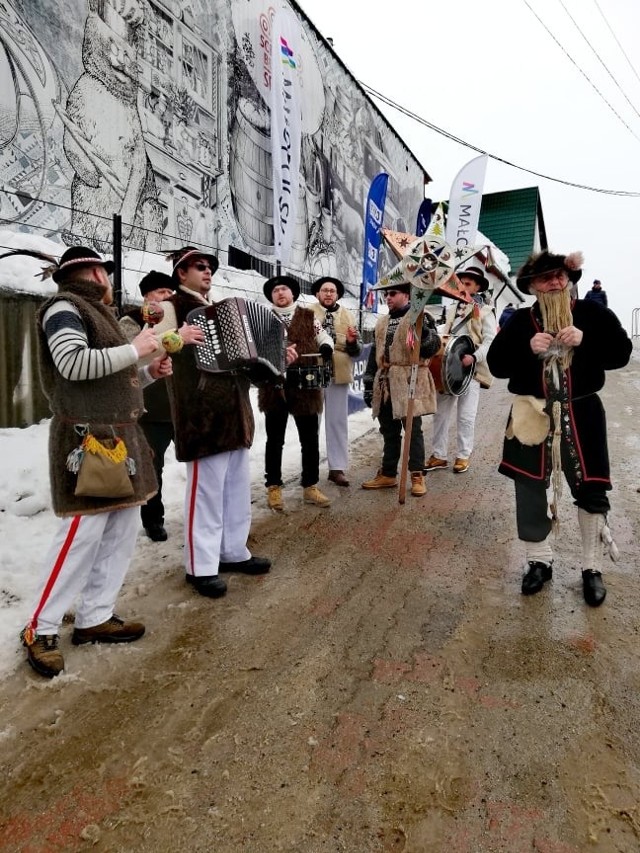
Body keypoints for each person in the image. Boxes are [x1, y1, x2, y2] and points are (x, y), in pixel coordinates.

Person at [19, 246, 170, 678]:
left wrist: (146, 374)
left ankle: (94, 616)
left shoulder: (95, 311)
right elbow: (72, 364)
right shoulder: (64, 307)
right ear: (92, 272)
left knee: (122, 526)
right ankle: (40, 627)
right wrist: (136, 348)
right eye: (105, 269)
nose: (109, 276)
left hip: (118, 435)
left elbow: (109, 377)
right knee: (80, 534)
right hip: (85, 440)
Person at [486, 250, 631, 606]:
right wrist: (525, 348)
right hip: (531, 414)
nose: (554, 282)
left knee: (591, 488)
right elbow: (496, 365)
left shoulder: (592, 314)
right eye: (545, 278)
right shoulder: (519, 322)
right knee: (530, 487)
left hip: (583, 412)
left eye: (559, 276)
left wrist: (586, 341)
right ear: (532, 286)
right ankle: (539, 561)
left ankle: (591, 568)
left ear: (569, 280)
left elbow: (622, 353)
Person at [152, 246, 271, 598]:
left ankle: (233, 550)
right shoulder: (171, 307)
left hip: (234, 413)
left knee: (235, 489)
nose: (208, 272)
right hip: (200, 413)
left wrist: (269, 362)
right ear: (181, 272)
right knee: (205, 494)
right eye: (200, 267)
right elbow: (154, 346)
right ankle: (200, 565)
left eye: (211, 268)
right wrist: (178, 338)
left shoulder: (221, 309)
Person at [259, 274, 334, 511]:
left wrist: (325, 346)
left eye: (284, 289)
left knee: (309, 440)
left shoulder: (308, 316)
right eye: (275, 290)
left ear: (293, 293)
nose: (280, 293)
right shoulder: (262, 318)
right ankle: (273, 487)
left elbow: (324, 336)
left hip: (305, 385)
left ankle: (310, 485)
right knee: (274, 440)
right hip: (274, 386)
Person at [361, 283, 440, 496]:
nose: (388, 298)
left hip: (409, 378)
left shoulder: (421, 317)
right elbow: (374, 354)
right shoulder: (382, 322)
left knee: (413, 430)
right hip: (385, 380)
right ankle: (388, 474)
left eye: (392, 294)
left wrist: (423, 333)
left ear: (407, 295)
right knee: (389, 431)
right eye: (386, 294)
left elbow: (432, 347)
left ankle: (417, 475)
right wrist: (369, 384)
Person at [425, 264, 497, 475]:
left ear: (476, 288)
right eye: (460, 283)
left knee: (466, 416)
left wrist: (474, 357)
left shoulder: (485, 311)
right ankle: (439, 455)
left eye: (467, 284)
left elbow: (490, 341)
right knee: (440, 413)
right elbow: (445, 333)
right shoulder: (451, 309)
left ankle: (463, 455)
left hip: (470, 369)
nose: (463, 287)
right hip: (448, 367)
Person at [120, 271, 176, 542]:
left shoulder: (181, 319)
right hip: (150, 407)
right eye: (161, 292)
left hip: (181, 405)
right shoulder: (130, 321)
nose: (167, 297)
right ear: (146, 296)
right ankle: (153, 520)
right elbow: (126, 358)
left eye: (170, 292)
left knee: (202, 463)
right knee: (152, 467)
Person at [310, 276, 363, 487]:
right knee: (311, 421)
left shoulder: (348, 315)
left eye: (332, 290)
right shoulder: (306, 313)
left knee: (337, 421)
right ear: (317, 294)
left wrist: (350, 342)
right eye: (325, 290)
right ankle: (310, 467)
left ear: (338, 295)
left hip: (338, 374)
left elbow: (356, 351)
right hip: (312, 373)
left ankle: (337, 468)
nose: (329, 294)